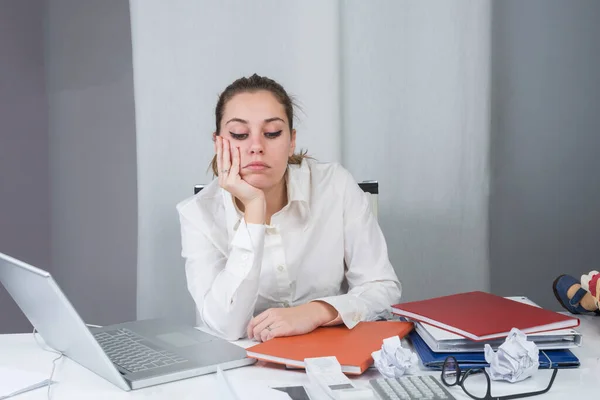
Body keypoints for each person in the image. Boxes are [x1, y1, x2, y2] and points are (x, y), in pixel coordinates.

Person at [176, 74, 401, 341]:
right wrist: (254, 210)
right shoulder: (197, 214)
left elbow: (382, 288)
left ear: (291, 140)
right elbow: (226, 326)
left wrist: (317, 311)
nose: (256, 147)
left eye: (272, 133)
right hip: (244, 367)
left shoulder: (335, 186)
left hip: (331, 356)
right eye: (239, 134)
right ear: (218, 143)